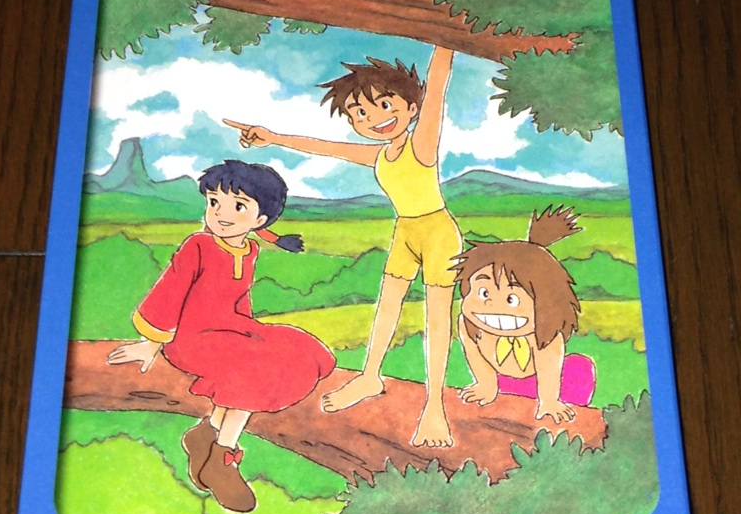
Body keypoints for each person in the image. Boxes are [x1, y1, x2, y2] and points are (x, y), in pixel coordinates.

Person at [224, 46, 462, 448]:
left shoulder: (421, 143)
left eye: (384, 105)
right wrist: (273, 138)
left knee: (436, 318)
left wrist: (444, 41)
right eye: (360, 114)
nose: (374, 118)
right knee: (387, 306)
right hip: (406, 231)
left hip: (437, 233)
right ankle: (370, 376)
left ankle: (435, 408)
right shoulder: (382, 155)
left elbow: (436, 87)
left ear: (411, 107)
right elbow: (324, 147)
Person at [107, 159, 336, 512]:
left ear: (260, 219)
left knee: (298, 348)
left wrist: (250, 333)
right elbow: (170, 293)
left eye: (238, 206)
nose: (221, 213)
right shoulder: (198, 246)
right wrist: (152, 342)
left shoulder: (250, 250)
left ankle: (206, 432)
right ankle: (222, 455)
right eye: (214, 202)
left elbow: (239, 299)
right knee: (255, 370)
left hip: (230, 329)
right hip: (191, 339)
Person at [455, 206, 596, 423]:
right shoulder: (469, 325)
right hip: (503, 381)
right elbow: (475, 354)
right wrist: (486, 385)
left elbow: (549, 365)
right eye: (483, 293)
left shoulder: (546, 333)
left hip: (546, 381)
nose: (493, 305)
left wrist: (548, 401)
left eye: (511, 299)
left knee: (579, 369)